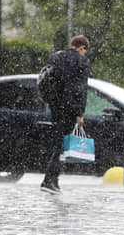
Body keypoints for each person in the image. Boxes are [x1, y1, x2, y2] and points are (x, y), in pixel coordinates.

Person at [40, 35, 91, 195]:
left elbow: (47, 80)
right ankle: (50, 180)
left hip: (55, 107)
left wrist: (52, 101)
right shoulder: (82, 61)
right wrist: (79, 113)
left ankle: (52, 180)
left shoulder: (56, 57)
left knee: (59, 142)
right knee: (62, 145)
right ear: (82, 47)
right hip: (69, 109)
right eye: (84, 51)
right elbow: (80, 89)